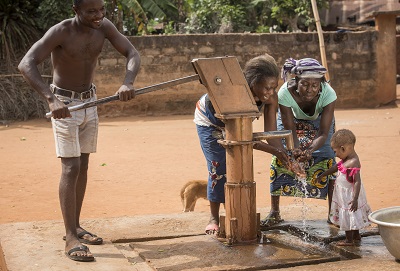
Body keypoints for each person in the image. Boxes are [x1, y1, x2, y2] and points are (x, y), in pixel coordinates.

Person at [18, 0, 140, 262]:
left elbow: (132, 53)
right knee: (70, 167)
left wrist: (127, 82)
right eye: (91, 11)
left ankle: (75, 226)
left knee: (83, 165)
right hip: (64, 104)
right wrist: (51, 99)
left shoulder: (104, 27)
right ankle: (70, 237)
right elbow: (26, 63)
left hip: (90, 102)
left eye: (101, 10)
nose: (99, 16)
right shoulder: (61, 31)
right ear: (76, 11)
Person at [194, 54, 289, 235]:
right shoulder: (236, 95)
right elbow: (241, 138)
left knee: (239, 164)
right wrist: (275, 152)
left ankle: (235, 212)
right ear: (252, 83)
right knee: (218, 167)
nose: (270, 92)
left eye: (273, 87)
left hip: (237, 126)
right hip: (209, 122)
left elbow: (271, 134)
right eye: (267, 87)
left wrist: (282, 152)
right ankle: (214, 217)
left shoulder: (270, 98)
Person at [262, 58, 337, 227]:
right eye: (305, 84)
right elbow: (290, 130)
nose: (310, 89)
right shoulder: (285, 93)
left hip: (320, 124)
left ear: (320, 85)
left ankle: (333, 213)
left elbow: (324, 133)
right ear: (296, 81)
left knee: (328, 156)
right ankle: (275, 212)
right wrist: (295, 150)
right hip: (291, 121)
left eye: (315, 85)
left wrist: (309, 150)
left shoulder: (328, 94)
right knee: (282, 157)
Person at [315, 129, 371, 246]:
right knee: (352, 215)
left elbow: (357, 182)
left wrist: (355, 199)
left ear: (343, 149)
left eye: (335, 151)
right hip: (344, 194)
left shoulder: (353, 162)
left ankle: (349, 240)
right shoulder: (345, 159)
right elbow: (335, 167)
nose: (335, 154)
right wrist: (323, 175)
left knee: (349, 214)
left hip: (350, 195)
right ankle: (356, 236)